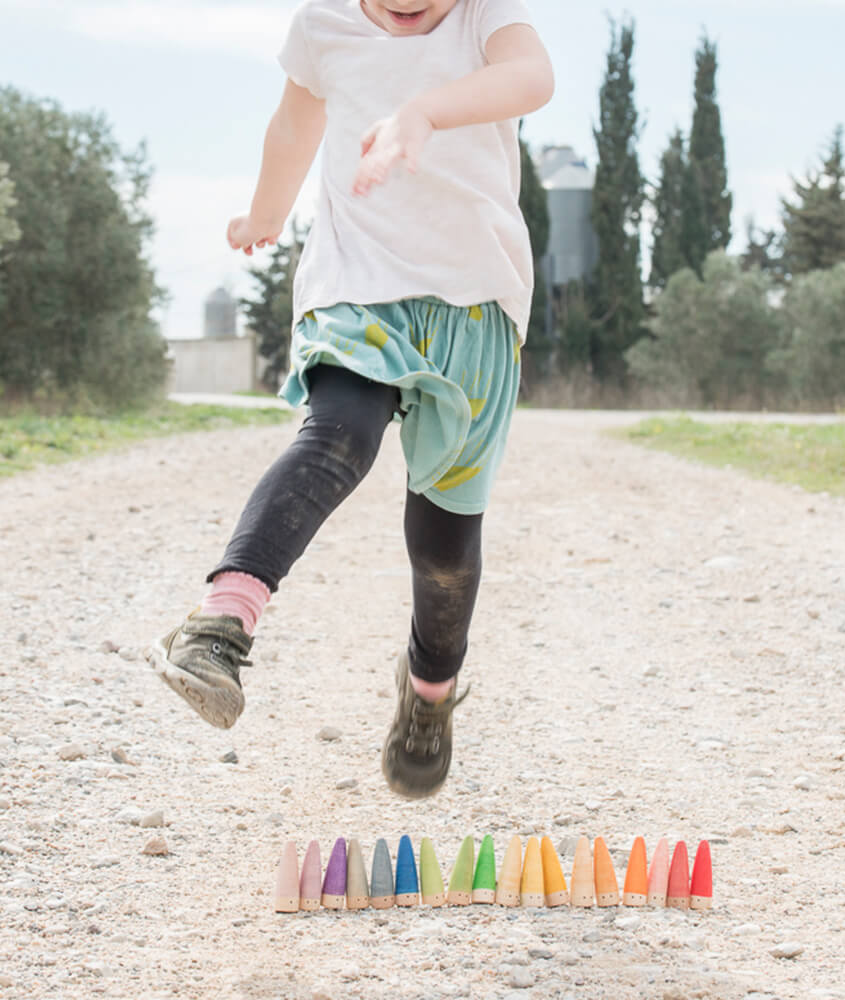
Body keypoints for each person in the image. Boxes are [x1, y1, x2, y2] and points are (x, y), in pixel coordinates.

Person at [147, 0, 554, 800]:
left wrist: (423, 113)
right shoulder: (324, 25)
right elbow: (294, 126)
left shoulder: (486, 16)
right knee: (338, 432)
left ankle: (430, 696)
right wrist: (266, 213)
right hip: (357, 283)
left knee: (442, 547)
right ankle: (220, 626)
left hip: (475, 306)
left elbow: (532, 78)